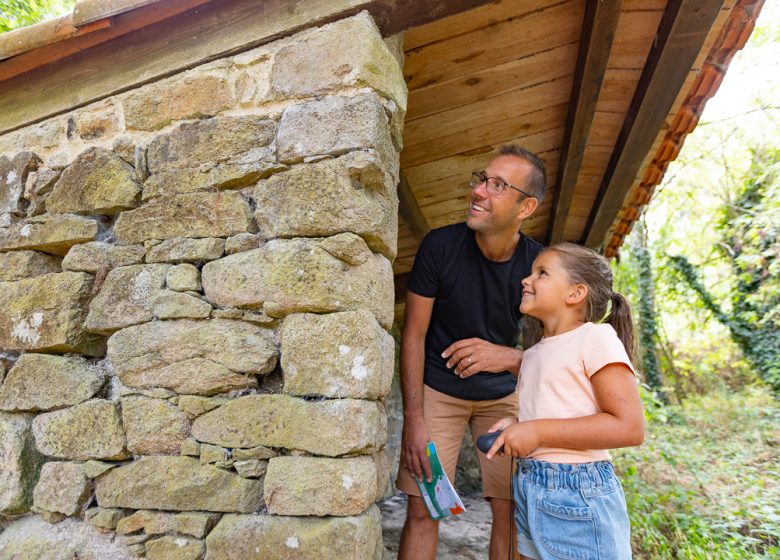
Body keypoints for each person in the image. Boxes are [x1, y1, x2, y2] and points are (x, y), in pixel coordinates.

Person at [396, 145, 546, 560]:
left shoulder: (540, 266)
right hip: (438, 391)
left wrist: (511, 358)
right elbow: (413, 335)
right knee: (425, 508)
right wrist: (414, 421)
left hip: (504, 397)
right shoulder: (438, 246)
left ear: (525, 207)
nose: (479, 191)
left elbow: (559, 349)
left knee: (512, 510)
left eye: (497, 185)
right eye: (481, 179)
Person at [485, 243, 645, 560]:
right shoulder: (532, 354)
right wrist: (518, 427)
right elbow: (558, 413)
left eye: (541, 273)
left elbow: (629, 427)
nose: (525, 280)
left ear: (575, 293)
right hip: (530, 484)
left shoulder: (595, 338)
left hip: (579, 493)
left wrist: (538, 432)